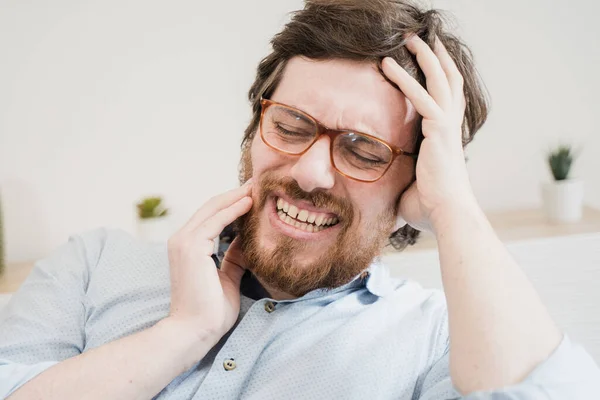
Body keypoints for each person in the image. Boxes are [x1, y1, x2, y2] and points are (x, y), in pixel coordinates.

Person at [1, 0, 599, 398]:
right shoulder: (92, 265)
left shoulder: (439, 341)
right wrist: (179, 335)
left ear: (417, 182)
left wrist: (456, 207)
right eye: (290, 126)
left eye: (365, 152)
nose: (311, 171)